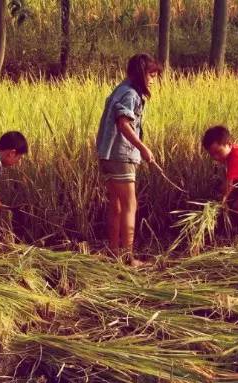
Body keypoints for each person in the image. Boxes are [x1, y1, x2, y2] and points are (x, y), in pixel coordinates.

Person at [95, 53, 162, 267]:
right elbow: (123, 123)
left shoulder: (119, 89)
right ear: (141, 73)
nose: (153, 79)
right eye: (151, 74)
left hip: (107, 154)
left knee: (115, 204)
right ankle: (128, 257)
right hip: (121, 155)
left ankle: (114, 252)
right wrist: (143, 148)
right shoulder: (131, 94)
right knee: (130, 204)